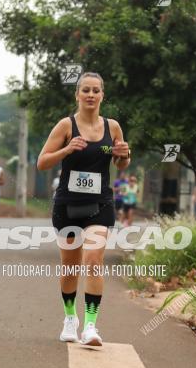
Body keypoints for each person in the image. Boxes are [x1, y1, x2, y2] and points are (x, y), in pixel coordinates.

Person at [37, 72, 130, 346]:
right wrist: (66, 150)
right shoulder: (66, 125)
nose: (91, 95)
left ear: (102, 95)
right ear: (77, 95)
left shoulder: (113, 127)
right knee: (70, 268)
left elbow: (121, 164)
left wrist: (123, 155)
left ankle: (90, 326)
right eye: (85, 90)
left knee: (93, 259)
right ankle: (70, 319)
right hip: (67, 205)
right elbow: (42, 162)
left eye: (96, 90)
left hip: (99, 204)